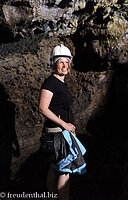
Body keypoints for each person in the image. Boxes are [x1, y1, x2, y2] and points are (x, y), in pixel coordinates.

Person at [39, 44, 76, 200]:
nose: (64, 66)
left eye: (67, 62)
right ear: (54, 63)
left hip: (60, 133)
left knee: (54, 167)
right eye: (61, 62)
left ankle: (53, 196)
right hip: (57, 134)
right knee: (64, 170)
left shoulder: (61, 82)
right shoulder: (50, 83)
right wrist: (64, 125)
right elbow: (43, 108)